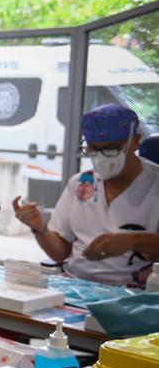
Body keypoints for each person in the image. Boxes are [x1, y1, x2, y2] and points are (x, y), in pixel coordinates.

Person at [13, 103, 159, 286]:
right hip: (76, 286)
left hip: (133, 293)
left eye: (110, 148)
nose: (100, 157)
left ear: (135, 141)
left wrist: (133, 241)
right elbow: (59, 253)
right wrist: (39, 228)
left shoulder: (155, 184)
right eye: (92, 149)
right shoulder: (81, 184)